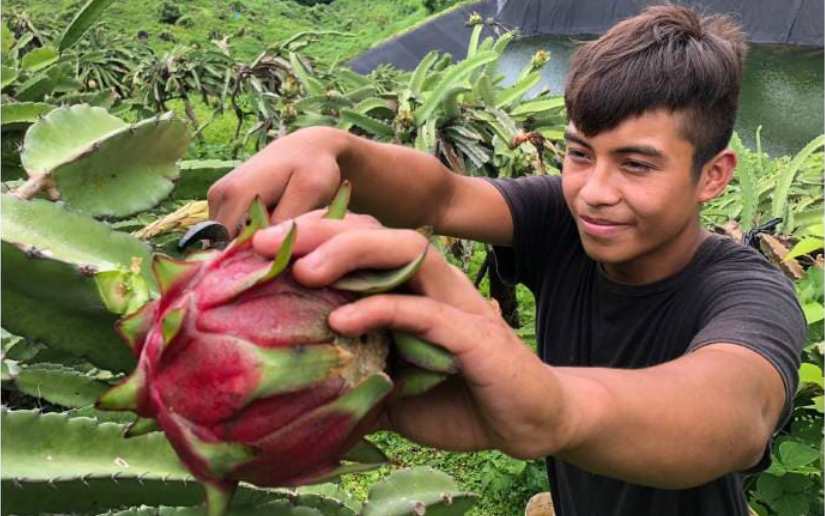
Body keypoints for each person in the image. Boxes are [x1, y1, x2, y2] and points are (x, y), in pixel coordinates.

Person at [207, 5, 806, 515]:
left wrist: (552, 406)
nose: (595, 190)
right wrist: (337, 151)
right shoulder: (566, 221)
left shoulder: (748, 293)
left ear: (714, 176)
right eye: (578, 153)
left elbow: (735, 410)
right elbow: (443, 195)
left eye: (636, 164)